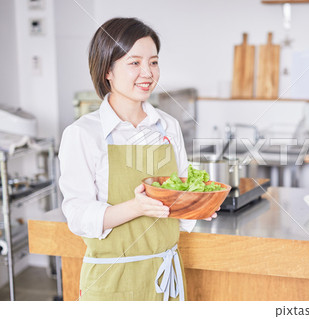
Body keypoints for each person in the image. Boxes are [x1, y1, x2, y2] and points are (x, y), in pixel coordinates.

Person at [58, 17, 216, 301]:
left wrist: (198, 206)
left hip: (165, 279)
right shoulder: (82, 134)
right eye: (134, 63)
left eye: (153, 62)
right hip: (112, 283)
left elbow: (177, 195)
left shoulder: (168, 127)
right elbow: (79, 216)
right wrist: (136, 206)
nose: (148, 73)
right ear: (107, 70)